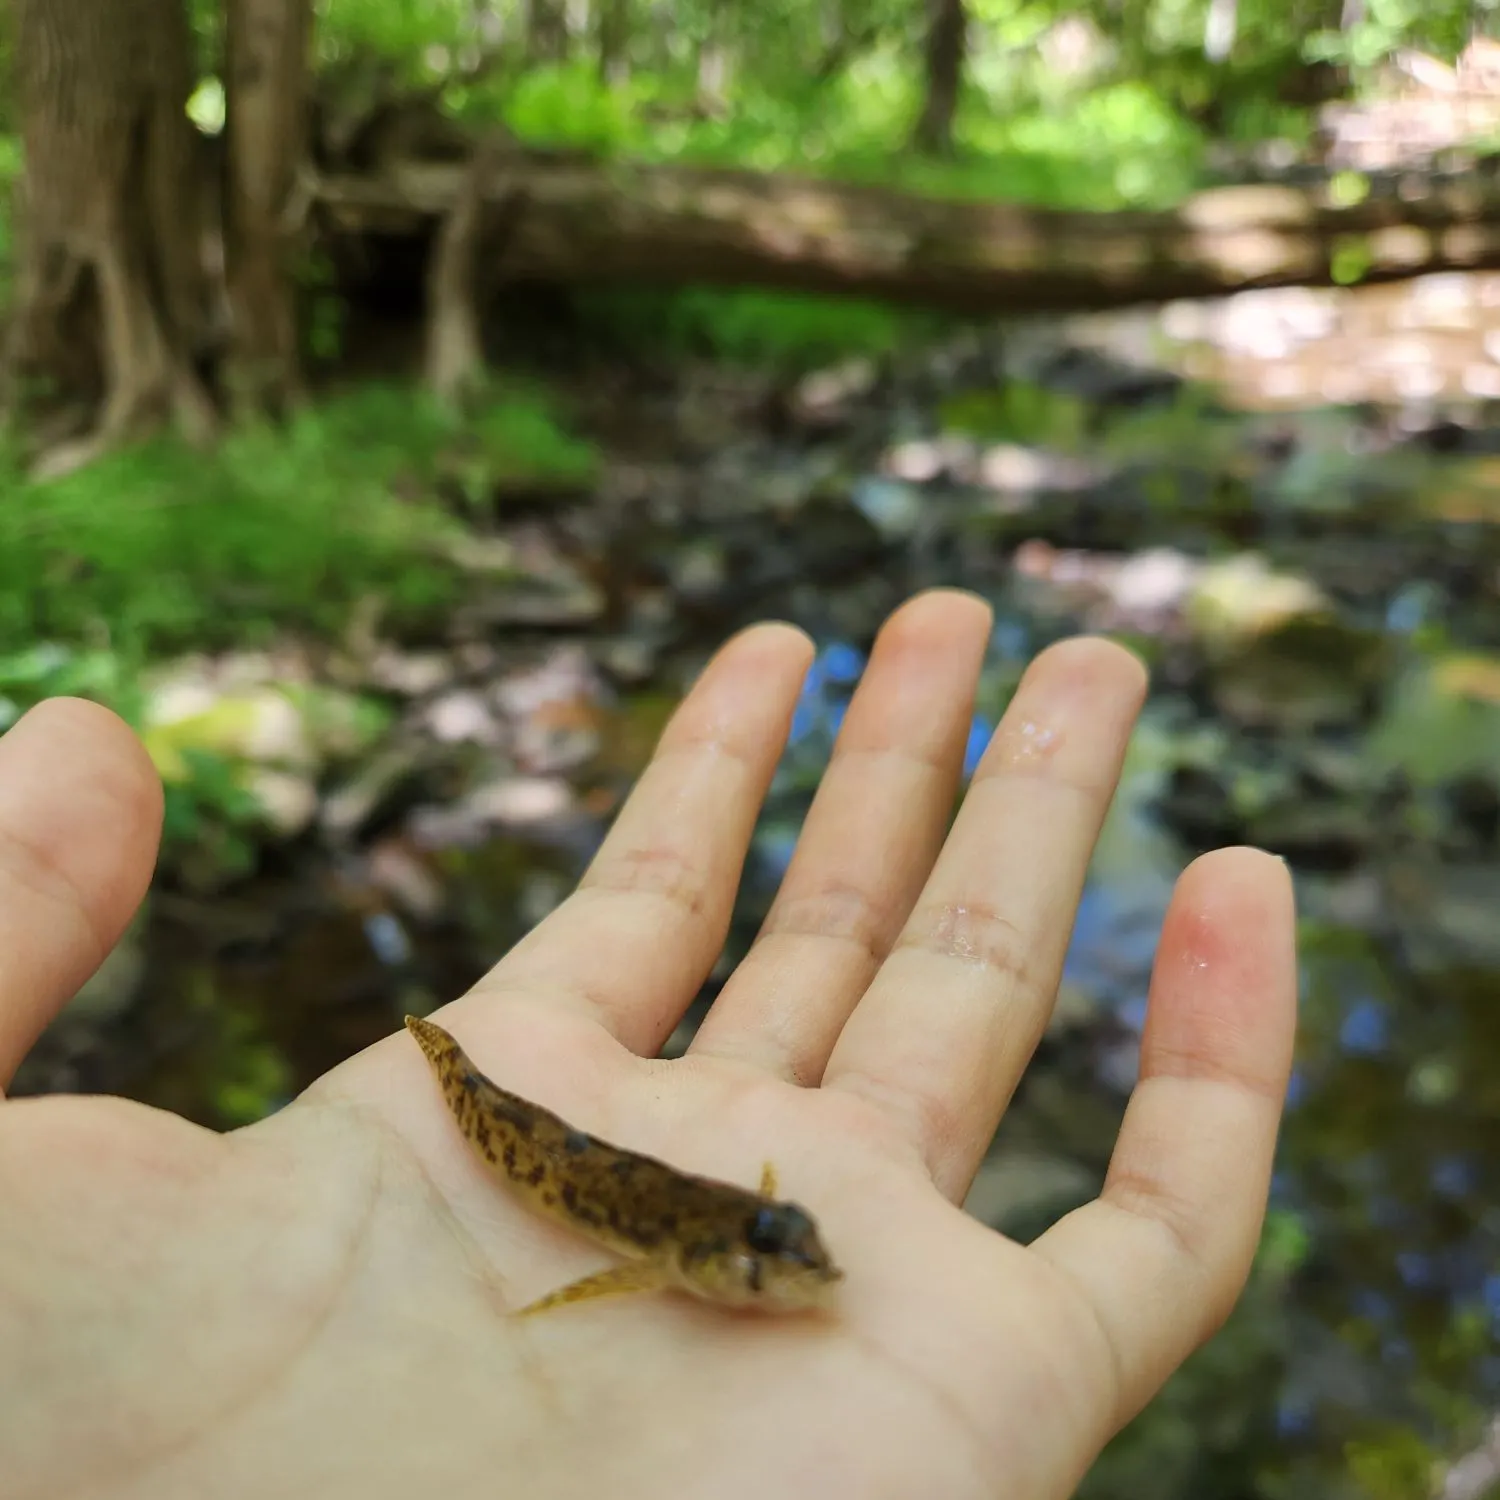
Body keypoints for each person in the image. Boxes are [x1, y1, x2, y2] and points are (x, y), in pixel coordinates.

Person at [0, 589, 1295, 1500]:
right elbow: (606, 1273)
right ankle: (443, 1062)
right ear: (694, 1253)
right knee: (487, 1105)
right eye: (753, 1261)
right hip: (555, 1150)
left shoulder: (719, 1240)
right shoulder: (657, 1251)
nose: (794, 1274)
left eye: (768, 1252)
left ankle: (442, 1058)